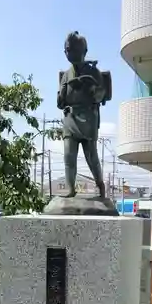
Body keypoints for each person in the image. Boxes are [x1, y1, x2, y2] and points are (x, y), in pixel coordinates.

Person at [57, 31, 106, 198]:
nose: (70, 53)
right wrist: (63, 94)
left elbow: (101, 94)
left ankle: (100, 185)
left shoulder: (94, 72)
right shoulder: (65, 75)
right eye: (68, 50)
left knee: (91, 156)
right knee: (68, 155)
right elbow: (60, 102)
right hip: (70, 118)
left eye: (73, 50)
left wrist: (90, 88)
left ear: (83, 52)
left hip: (88, 118)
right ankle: (71, 189)